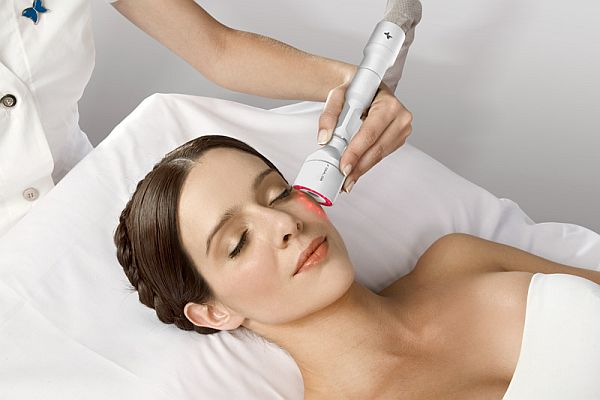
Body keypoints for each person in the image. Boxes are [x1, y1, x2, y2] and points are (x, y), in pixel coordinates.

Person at [114, 135, 600, 399]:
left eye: (278, 193)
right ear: (214, 312)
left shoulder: (459, 259)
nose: (284, 223)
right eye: (238, 242)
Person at [0, 0, 415, 236]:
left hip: (86, 199)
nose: (286, 228)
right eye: (237, 243)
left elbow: (217, 49)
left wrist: (358, 86)